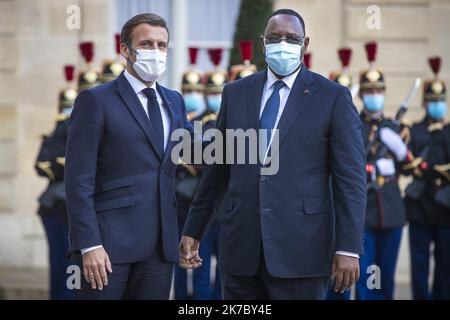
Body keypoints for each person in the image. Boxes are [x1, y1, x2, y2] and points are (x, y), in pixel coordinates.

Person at [179, 8, 366, 300]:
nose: (283, 44)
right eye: (275, 37)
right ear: (263, 43)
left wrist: (348, 247)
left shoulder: (332, 97)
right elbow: (218, 172)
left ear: (305, 45)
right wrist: (194, 229)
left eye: (292, 39)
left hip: (301, 253)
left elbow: (351, 181)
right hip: (242, 252)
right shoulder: (235, 93)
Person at [65, 13, 191, 300]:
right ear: (125, 50)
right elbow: (78, 181)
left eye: (162, 45)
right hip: (107, 249)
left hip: (160, 249)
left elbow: (191, 152)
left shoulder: (174, 101)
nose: (156, 52)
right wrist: (89, 244)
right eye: (147, 44)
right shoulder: (95, 100)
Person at [355, 41, 411, 300]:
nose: (374, 95)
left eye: (378, 90)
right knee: (367, 277)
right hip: (363, 212)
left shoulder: (395, 128)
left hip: (390, 210)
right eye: (369, 90)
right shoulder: (352, 126)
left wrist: (401, 151)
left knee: (385, 277)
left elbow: (409, 168)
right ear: (362, 95)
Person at [404, 56, 450, 300]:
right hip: (420, 206)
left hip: (445, 207)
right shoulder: (413, 130)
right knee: (419, 264)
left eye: (440, 100)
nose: (436, 104)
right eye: (432, 100)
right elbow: (406, 164)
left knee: (445, 265)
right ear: (424, 102)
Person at [35, 65, 76, 300]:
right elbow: (42, 164)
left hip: (73, 204)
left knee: (73, 261)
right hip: (55, 205)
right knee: (60, 258)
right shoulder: (57, 132)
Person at [327, 47, 354, 300]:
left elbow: (350, 177)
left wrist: (348, 247)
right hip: (318, 220)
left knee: (341, 286)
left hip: (340, 216)